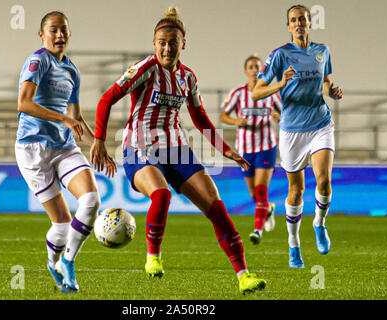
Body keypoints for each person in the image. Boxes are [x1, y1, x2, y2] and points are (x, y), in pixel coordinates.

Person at [90, 7, 266, 295]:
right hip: (140, 146)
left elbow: (200, 118)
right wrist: (99, 139)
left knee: (216, 208)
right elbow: (107, 99)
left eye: (173, 42)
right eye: (161, 42)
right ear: (154, 43)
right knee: (162, 194)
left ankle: (244, 275)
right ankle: (153, 257)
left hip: (177, 149)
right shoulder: (144, 69)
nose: (167, 47)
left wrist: (227, 150)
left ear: (183, 44)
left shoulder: (188, 78)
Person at [15, 11, 112, 293]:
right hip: (33, 148)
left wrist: (98, 143)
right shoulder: (37, 60)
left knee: (92, 200)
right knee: (61, 226)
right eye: (53, 30)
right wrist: (63, 120)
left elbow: (76, 116)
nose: (59, 35)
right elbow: (24, 103)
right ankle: (52, 260)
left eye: (64, 30)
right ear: (42, 35)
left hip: (64, 147)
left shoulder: (72, 70)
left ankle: (68, 261)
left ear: (69, 34)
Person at [251, 4, 343, 268]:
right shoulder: (280, 55)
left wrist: (331, 91)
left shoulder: (322, 51)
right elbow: (257, 92)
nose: (299, 23)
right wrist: (280, 84)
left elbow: (325, 80)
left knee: (323, 181)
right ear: (289, 26)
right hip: (292, 131)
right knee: (296, 190)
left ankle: (319, 224)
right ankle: (294, 246)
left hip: (320, 123)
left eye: (302, 18)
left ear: (310, 22)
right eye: (293, 20)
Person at [220, 54, 281, 245]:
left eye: (258, 67)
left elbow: (284, 112)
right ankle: (268, 209)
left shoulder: (271, 92)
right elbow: (224, 116)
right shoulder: (238, 94)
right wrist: (235, 120)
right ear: (246, 71)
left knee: (261, 190)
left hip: (266, 147)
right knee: (254, 194)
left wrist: (278, 116)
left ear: (262, 70)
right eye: (251, 67)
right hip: (246, 149)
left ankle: (257, 230)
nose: (255, 70)